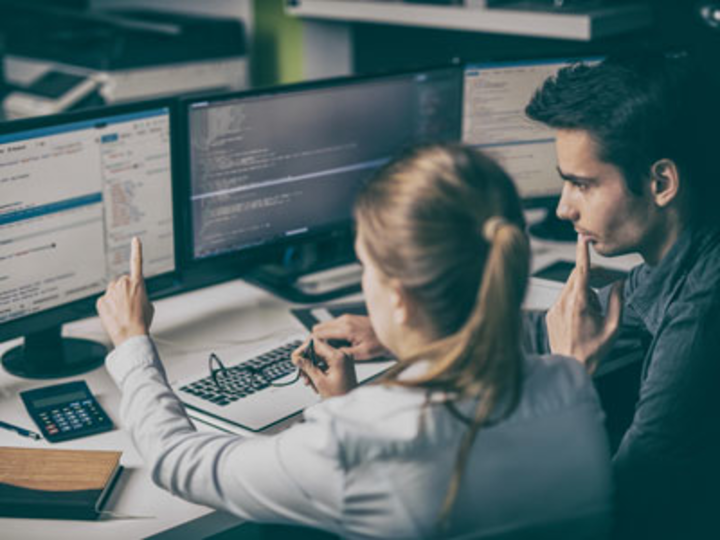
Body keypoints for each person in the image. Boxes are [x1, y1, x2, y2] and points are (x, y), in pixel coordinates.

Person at [97, 145, 613, 539]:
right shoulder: (571, 381)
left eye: (366, 266)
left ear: (401, 299)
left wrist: (132, 340)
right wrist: (347, 406)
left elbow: (178, 463)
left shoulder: (355, 441)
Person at [317, 52, 720, 539]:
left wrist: (572, 375)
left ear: (661, 183)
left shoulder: (701, 317)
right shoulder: (682, 257)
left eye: (581, 185)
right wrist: (405, 329)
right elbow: (562, 322)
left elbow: (624, 510)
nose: (563, 207)